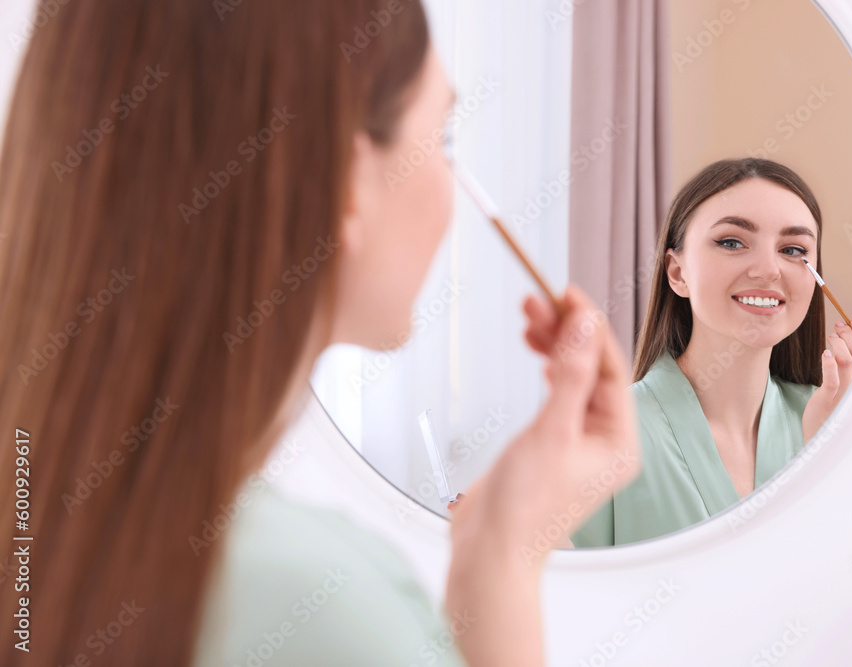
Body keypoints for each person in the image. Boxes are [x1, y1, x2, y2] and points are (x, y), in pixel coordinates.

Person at [0, 2, 638, 665]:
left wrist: (495, 550)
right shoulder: (316, 607)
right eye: (442, 139)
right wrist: (504, 564)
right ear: (349, 180)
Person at [572, 159, 852, 548]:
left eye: (793, 249)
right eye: (732, 242)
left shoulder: (829, 421)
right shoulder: (604, 431)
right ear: (677, 273)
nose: (768, 270)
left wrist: (833, 454)